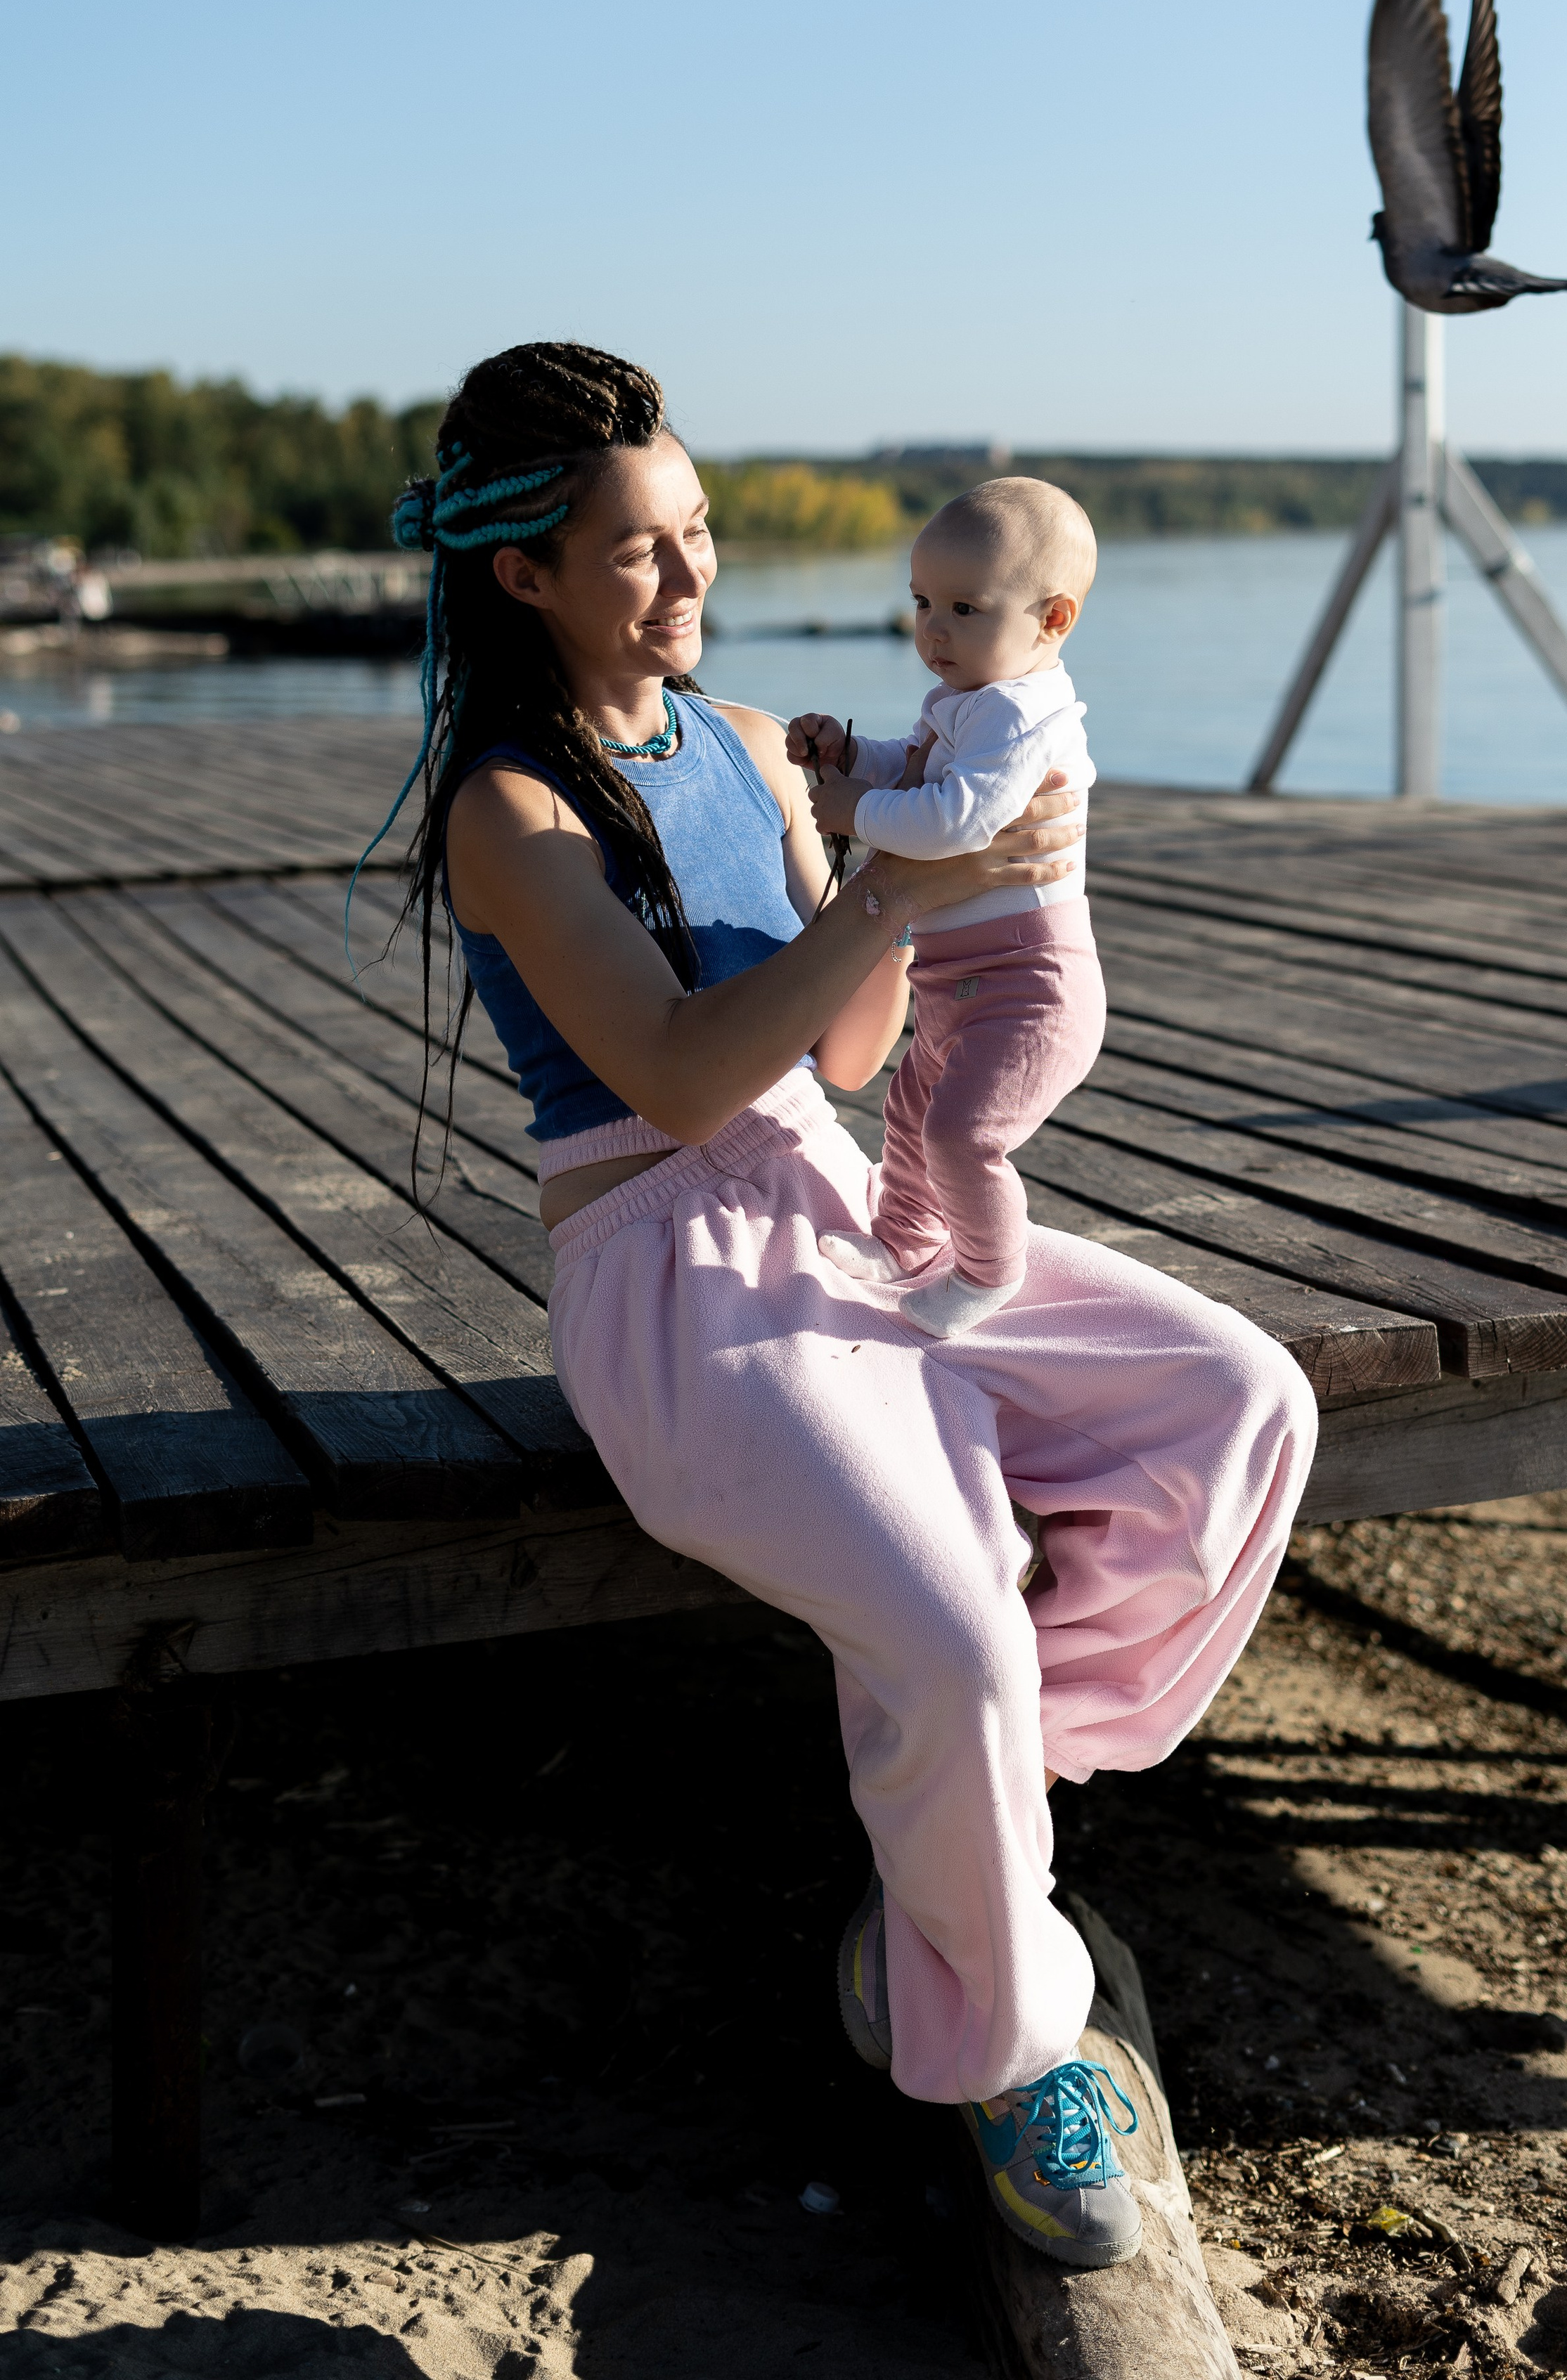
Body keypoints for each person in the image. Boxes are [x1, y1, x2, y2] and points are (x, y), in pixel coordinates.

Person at [373, 340, 1318, 2273]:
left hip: (842, 1204)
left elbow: (853, 1045)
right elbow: (678, 1074)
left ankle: (972, 1828)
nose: (690, 571)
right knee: (954, 1628)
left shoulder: (739, 741)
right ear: (523, 574)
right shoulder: (512, 809)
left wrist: (984, 892)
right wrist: (892, 887)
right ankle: (999, 2046)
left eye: (698, 527)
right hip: (673, 1270)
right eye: (637, 549)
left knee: (1239, 1401)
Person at [788, 474, 1102, 1340]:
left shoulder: (1020, 713)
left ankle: (989, 1271)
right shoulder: (973, 701)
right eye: (923, 601)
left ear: (1053, 618)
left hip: (1028, 986)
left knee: (963, 1135)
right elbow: (919, 769)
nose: (933, 628)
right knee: (912, 1115)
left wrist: (854, 810)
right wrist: (855, 754)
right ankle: (903, 1241)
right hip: (959, 981)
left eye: (965, 608)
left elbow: (958, 822)